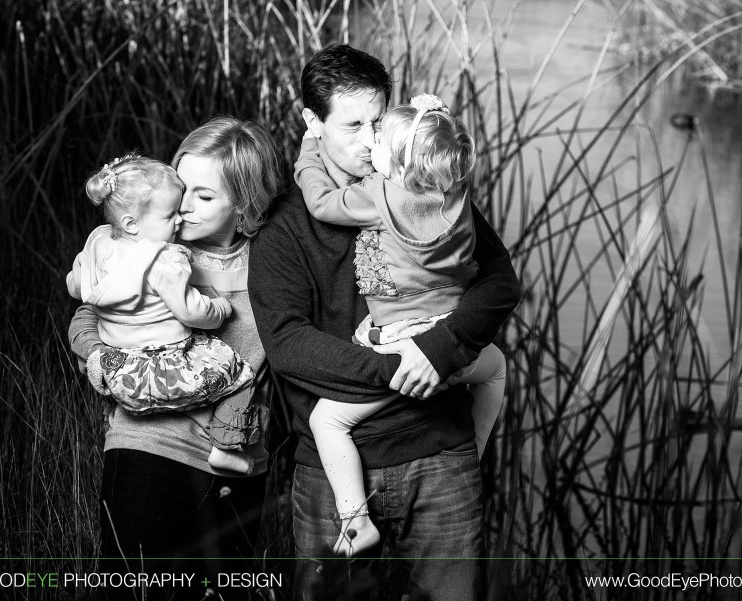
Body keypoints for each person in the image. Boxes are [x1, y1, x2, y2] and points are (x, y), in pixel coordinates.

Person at [248, 43, 520, 600]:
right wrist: (402, 366)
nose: (372, 141)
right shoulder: (285, 228)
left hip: (441, 455)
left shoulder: (420, 187)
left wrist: (439, 352)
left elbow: (499, 283)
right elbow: (287, 344)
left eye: (379, 121)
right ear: (311, 123)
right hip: (331, 474)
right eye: (353, 126)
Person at [68, 117, 283, 596]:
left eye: (205, 197)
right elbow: (86, 318)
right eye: (183, 188)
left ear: (245, 205)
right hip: (149, 446)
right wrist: (103, 363)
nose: (183, 208)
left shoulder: (275, 261)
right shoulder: (151, 247)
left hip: (240, 461)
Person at [294, 94, 507, 556]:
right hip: (450, 339)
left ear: (391, 161)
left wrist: (310, 150)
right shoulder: (456, 195)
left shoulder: (377, 196)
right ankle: (476, 445)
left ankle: (355, 520)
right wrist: (433, 119)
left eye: (379, 140)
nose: (370, 143)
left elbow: (321, 201)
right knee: (497, 370)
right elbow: (431, 146)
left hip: (399, 344)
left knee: (326, 421)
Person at [67, 153, 265, 476]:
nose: (181, 215)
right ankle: (227, 443)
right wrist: (219, 310)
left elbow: (77, 286)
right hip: (167, 364)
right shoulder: (166, 259)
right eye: (171, 211)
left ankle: (109, 412)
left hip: (126, 366)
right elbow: (190, 310)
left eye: (202, 196)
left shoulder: (99, 243)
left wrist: (101, 356)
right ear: (132, 222)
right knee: (239, 374)